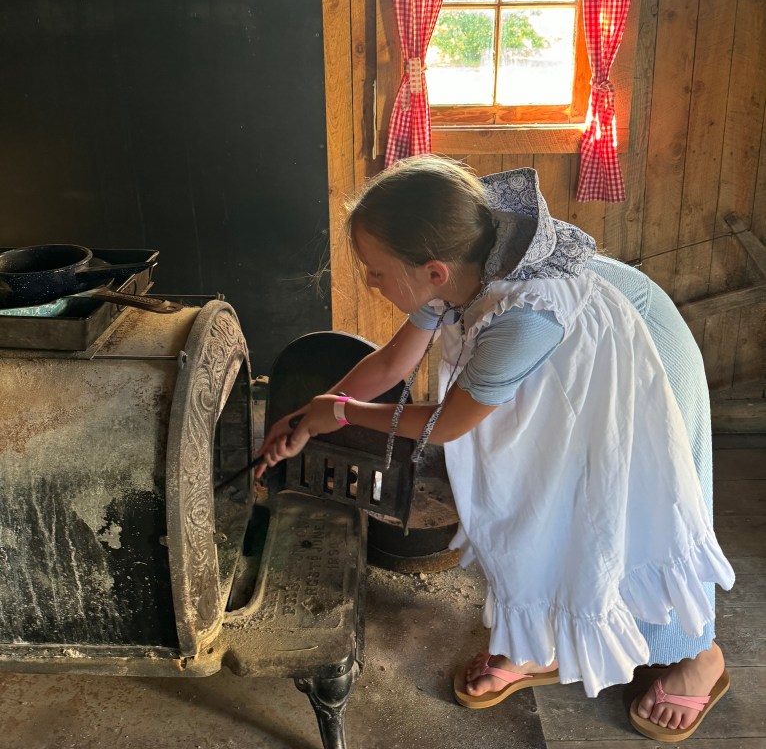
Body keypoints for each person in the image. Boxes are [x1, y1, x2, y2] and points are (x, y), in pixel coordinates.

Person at [256, 155, 735, 741]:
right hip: (565, 364)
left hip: (639, 352)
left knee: (643, 508)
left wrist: (341, 414)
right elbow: (391, 363)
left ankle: (697, 655)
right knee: (544, 499)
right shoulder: (453, 266)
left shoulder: (523, 318)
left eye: (375, 271)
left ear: (432, 272)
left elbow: (449, 423)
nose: (370, 282)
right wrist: (315, 411)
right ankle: (540, 643)